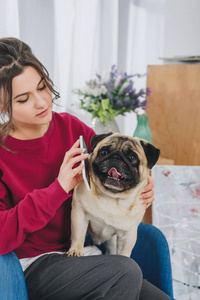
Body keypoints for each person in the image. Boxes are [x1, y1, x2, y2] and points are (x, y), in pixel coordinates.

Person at [0, 37, 170, 300]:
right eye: (24, 99)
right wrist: (59, 188)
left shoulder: (72, 128)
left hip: (82, 256)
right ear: (3, 106)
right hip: (30, 266)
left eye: (43, 87)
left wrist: (142, 187)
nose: (42, 102)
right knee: (126, 271)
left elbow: (114, 167)